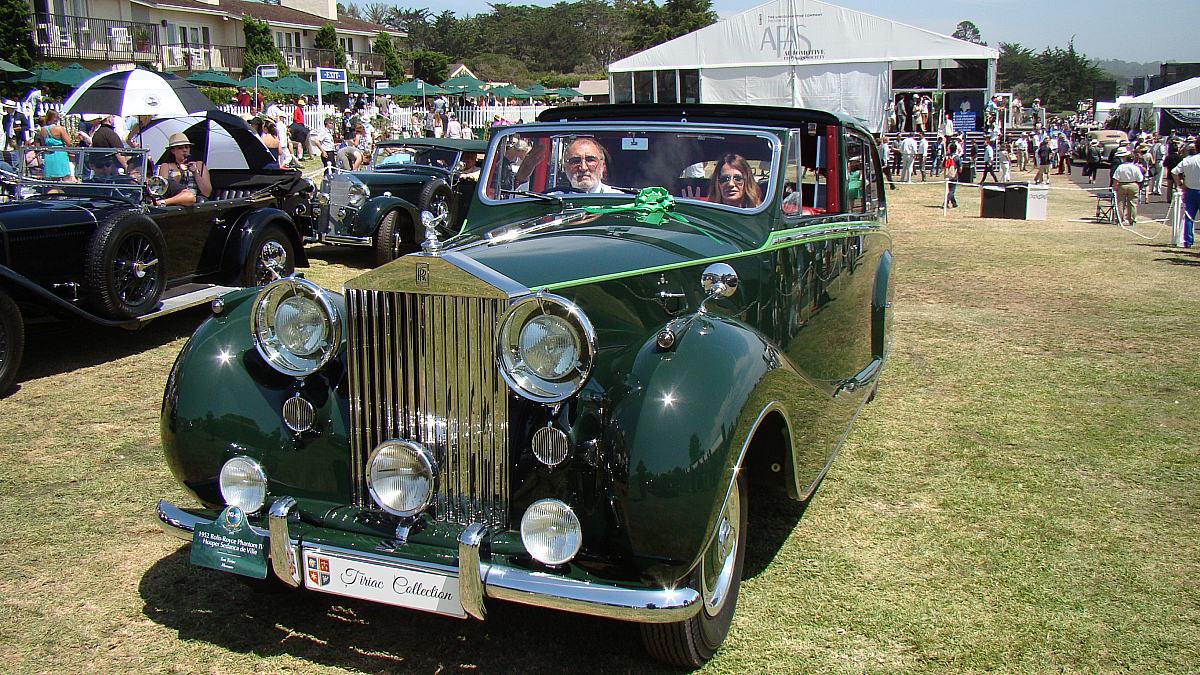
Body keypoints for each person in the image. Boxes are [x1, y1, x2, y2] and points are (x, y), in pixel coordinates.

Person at [157, 133, 212, 200]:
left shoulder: (199, 165)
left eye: (187, 147)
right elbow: (164, 190)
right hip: (175, 200)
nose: (184, 150)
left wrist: (195, 173)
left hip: (194, 200)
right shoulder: (166, 166)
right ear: (173, 151)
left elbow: (207, 192)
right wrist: (179, 172)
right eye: (180, 148)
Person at [1171, 139, 1200, 247]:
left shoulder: (1188, 160)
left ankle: (1188, 241)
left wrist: (1180, 184)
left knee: (1189, 216)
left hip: (1190, 189)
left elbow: (1174, 172)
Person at [37, 109, 74, 181]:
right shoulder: (60, 129)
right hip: (60, 153)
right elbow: (68, 142)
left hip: (48, 154)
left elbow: (43, 143)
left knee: (53, 179)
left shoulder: (43, 129)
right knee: (65, 176)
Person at [1111, 148, 1144, 226]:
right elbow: (1140, 179)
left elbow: (1116, 178)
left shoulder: (1121, 167)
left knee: (1120, 203)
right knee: (1133, 203)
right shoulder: (1136, 167)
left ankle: (1119, 219)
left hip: (1122, 185)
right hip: (1133, 184)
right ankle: (1133, 220)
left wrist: (1114, 186)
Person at [289, 97, 309, 161]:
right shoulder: (297, 110)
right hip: (298, 125)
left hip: (301, 124)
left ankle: (301, 154)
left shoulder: (300, 110)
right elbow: (295, 119)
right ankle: (300, 155)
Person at [944, 138, 962, 208]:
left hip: (948, 174)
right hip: (954, 174)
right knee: (952, 190)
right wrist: (959, 172)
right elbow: (960, 167)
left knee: (950, 189)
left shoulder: (947, 157)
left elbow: (943, 165)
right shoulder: (957, 157)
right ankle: (946, 202)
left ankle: (954, 203)